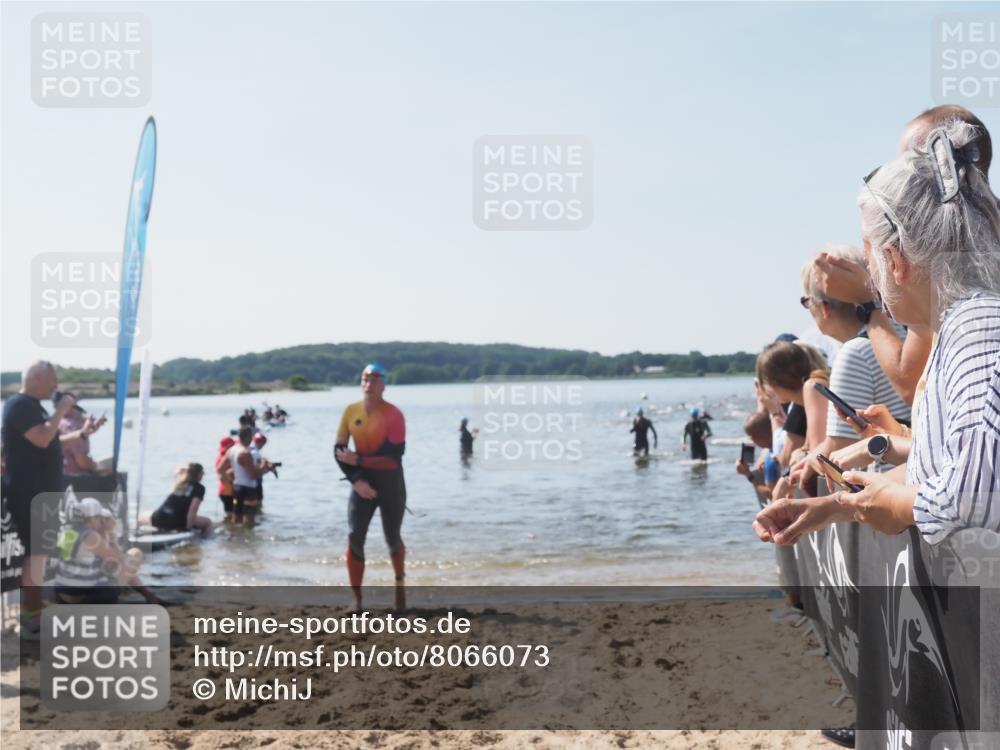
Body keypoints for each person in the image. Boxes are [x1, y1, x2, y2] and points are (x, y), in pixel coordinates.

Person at [755, 117, 1000, 545]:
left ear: (896, 261)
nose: (873, 277)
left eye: (872, 263)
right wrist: (825, 509)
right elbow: (948, 465)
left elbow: (977, 496)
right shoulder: (960, 324)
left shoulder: (974, 324)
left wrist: (897, 506)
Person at [808, 105, 992, 406]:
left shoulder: (941, 264)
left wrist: (869, 299)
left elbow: (910, 383)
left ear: (944, 158)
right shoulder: (983, 232)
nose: (897, 174)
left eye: (906, 161)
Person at [791, 245, 912, 493]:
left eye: (807, 302)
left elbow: (839, 448)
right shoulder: (907, 335)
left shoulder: (856, 352)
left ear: (823, 308)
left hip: (888, 492)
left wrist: (808, 463)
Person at [1, 361, 77, 636]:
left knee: (40, 553)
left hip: (41, 491)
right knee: (36, 553)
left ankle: (33, 610)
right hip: (28, 491)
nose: (56, 385)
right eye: (53, 379)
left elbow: (50, 440)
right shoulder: (19, 405)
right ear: (36, 378)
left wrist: (81, 433)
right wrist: (61, 410)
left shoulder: (33, 407)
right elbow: (43, 438)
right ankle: (32, 614)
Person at [334, 363, 407, 611]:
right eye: (365, 379)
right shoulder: (350, 411)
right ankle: (357, 599)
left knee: (392, 537)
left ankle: (399, 585)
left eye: (375, 380)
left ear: (384, 385)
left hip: (390, 483)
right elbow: (339, 451)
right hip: (361, 482)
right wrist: (356, 479)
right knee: (355, 535)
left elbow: (393, 459)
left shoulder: (394, 415)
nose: (369, 384)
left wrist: (359, 460)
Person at [755, 341, 830, 498]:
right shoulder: (806, 394)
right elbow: (810, 447)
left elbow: (818, 453)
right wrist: (801, 452)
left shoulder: (813, 387)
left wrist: (785, 481)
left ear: (772, 380)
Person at [55, 497, 160, 605]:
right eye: (100, 518)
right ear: (92, 518)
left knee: (117, 568)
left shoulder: (67, 532)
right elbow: (118, 560)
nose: (102, 521)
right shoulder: (91, 537)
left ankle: (149, 595)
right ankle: (149, 595)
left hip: (63, 592)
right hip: (83, 596)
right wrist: (110, 533)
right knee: (135, 554)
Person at [58, 394, 113, 494]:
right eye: (77, 407)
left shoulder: (60, 423)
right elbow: (81, 461)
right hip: (77, 479)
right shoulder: (73, 427)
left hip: (63, 476)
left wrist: (94, 425)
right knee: (110, 469)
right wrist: (96, 467)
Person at [141, 463, 212, 534]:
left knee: (142, 516)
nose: (203, 475)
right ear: (199, 474)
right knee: (208, 522)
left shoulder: (180, 484)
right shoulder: (199, 488)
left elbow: (178, 470)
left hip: (159, 519)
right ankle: (205, 541)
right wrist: (188, 529)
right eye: (203, 473)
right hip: (177, 523)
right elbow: (193, 510)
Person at [227, 427, 274, 527]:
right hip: (248, 488)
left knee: (236, 515)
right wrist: (264, 467)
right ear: (249, 437)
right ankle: (248, 540)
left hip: (237, 487)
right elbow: (253, 475)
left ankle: (235, 538)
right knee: (249, 519)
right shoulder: (245, 453)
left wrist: (230, 480)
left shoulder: (231, 450)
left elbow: (224, 470)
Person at [215, 436, 236, 522]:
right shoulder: (224, 459)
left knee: (230, 515)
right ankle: (230, 532)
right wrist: (231, 481)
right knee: (231, 514)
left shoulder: (221, 457)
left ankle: (229, 530)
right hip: (227, 493)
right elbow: (221, 476)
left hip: (225, 491)